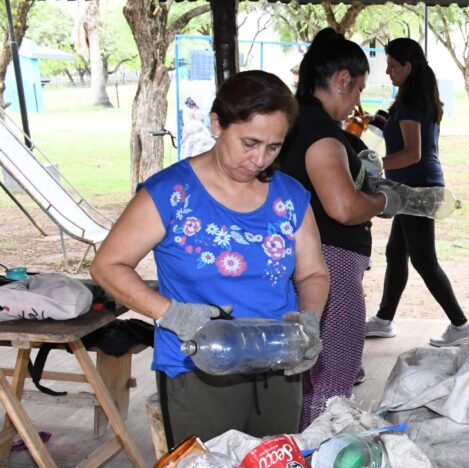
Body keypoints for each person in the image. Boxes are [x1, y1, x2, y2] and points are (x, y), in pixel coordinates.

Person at [90, 70, 329, 445]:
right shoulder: (171, 194)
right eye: (249, 142)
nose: (259, 159)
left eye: (273, 147)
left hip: (277, 361)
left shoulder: (290, 196)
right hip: (198, 367)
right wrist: (172, 314)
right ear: (217, 123)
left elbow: (313, 273)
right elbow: (107, 266)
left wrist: (308, 321)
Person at [278, 28, 394, 429]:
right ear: (342, 80)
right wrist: (383, 200)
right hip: (330, 264)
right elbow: (343, 207)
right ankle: (316, 465)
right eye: (358, 88)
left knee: (308, 372)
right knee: (334, 372)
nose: (357, 100)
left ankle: (297, 456)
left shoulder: (295, 121)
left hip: (307, 258)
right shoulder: (320, 133)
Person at [365, 37, 469, 347]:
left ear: (407, 66)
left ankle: (461, 325)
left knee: (424, 260)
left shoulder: (412, 102)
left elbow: (412, 153)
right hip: (409, 187)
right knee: (395, 252)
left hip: (418, 188)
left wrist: (374, 164)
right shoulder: (410, 98)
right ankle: (384, 320)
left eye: (392, 66)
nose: (388, 72)